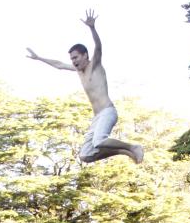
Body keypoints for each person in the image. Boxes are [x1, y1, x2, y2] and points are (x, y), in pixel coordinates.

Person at [27, 10, 144, 165]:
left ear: (85, 55)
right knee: (85, 155)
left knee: (99, 141)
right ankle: (124, 151)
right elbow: (59, 65)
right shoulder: (78, 71)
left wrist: (92, 28)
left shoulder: (95, 65)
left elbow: (99, 47)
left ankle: (133, 146)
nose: (73, 61)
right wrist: (39, 58)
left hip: (108, 111)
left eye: (75, 57)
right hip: (97, 117)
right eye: (71, 59)